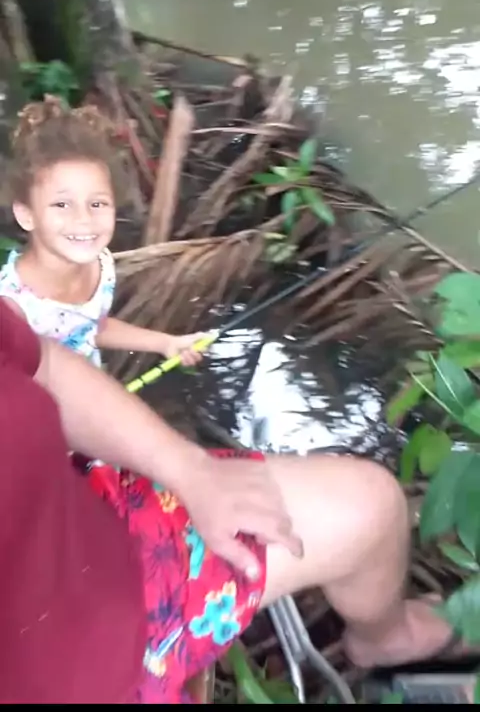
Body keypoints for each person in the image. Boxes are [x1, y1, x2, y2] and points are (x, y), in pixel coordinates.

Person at [0, 297, 465, 703]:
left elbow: (42, 364)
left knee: (367, 506)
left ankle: (387, 639)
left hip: (105, 536)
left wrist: (187, 468)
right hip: (99, 682)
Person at [0, 97, 204, 369]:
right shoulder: (11, 308)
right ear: (26, 214)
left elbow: (92, 328)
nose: (84, 219)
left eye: (97, 204)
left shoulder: (101, 264)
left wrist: (165, 343)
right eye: (62, 204)